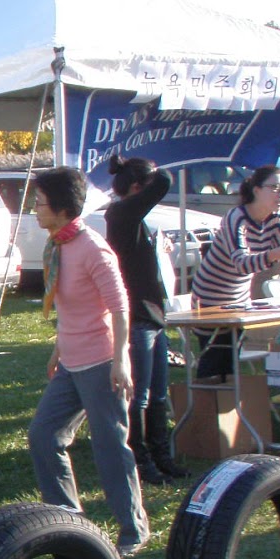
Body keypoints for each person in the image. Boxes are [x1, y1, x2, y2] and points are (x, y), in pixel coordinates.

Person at [26, 167, 150, 557]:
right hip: (71, 362)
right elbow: (70, 305)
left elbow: (120, 307)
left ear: (62, 209)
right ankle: (67, 520)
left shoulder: (92, 248)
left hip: (100, 363)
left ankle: (133, 529)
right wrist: (58, 348)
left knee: (110, 447)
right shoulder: (58, 246)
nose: (34, 210)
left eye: (40, 203)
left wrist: (121, 361)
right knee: (44, 435)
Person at [102, 154, 186, 486]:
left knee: (158, 394)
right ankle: (141, 459)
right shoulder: (122, 212)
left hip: (152, 316)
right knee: (140, 396)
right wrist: (158, 159)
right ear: (137, 189)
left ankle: (162, 455)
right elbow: (164, 182)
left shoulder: (133, 218)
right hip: (137, 317)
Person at [189, 165, 280, 378]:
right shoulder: (236, 218)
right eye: (274, 188)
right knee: (215, 358)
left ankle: (228, 406)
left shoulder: (278, 219)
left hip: (239, 300)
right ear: (256, 190)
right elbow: (242, 264)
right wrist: (274, 254)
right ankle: (206, 406)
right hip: (209, 298)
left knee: (230, 361)